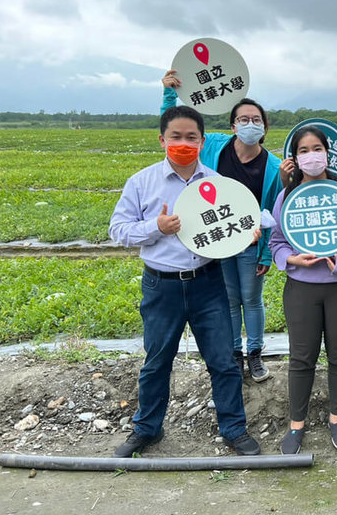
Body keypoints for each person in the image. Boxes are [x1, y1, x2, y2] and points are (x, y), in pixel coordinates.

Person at [108, 106, 260, 457]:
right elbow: (118, 231)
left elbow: (233, 226)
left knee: (223, 359)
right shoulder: (142, 182)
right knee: (157, 360)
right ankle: (146, 429)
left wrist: (244, 236)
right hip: (162, 286)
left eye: (191, 137)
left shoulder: (218, 185)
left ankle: (234, 429)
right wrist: (155, 228)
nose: (183, 143)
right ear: (162, 140)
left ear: (202, 141)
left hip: (208, 282)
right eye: (175, 136)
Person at [161, 72, 282, 382]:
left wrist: (266, 252)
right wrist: (169, 95)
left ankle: (255, 353)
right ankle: (234, 354)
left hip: (250, 242)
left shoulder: (274, 165)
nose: (249, 124)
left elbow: (272, 212)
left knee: (251, 299)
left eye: (256, 119)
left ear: (264, 127)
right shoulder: (214, 146)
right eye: (243, 119)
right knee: (229, 300)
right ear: (233, 126)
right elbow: (175, 131)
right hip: (216, 240)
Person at [269, 126, 337, 455]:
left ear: (328, 153)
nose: (311, 155)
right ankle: (296, 424)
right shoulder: (288, 195)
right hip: (302, 288)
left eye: (317, 148)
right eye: (303, 150)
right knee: (301, 358)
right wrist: (291, 259)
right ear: (295, 157)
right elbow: (277, 242)